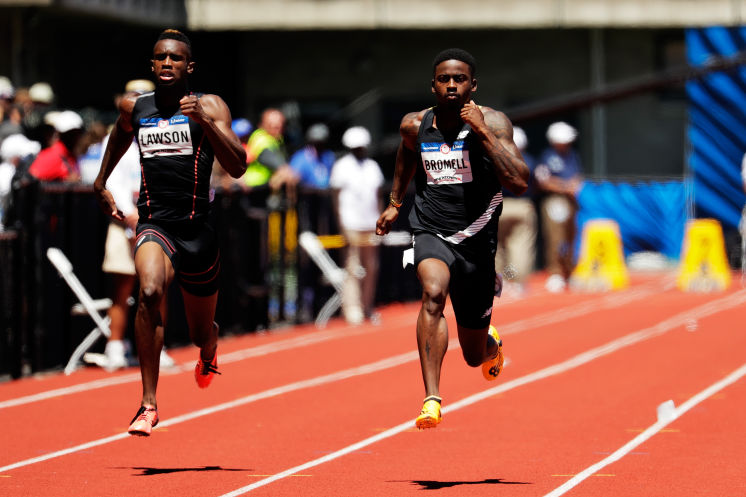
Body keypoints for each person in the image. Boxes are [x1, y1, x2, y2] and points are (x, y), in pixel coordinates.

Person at [93, 29, 247, 436]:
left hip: (197, 230)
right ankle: (148, 404)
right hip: (155, 222)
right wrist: (100, 180)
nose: (167, 64)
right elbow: (119, 136)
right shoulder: (136, 108)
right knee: (148, 292)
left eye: (175, 59)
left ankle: (210, 346)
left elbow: (238, 165)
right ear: (151, 64)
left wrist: (206, 124)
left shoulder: (210, 105)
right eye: (160, 57)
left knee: (199, 333)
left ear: (189, 67)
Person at [376, 48, 529, 429]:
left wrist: (480, 132)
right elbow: (406, 155)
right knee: (432, 292)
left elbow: (520, 181)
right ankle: (432, 398)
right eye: (444, 79)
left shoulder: (493, 123)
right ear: (433, 85)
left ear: (473, 85)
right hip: (431, 229)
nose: (451, 85)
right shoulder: (415, 125)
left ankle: (491, 342)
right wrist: (395, 202)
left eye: (459, 79)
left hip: (477, 241)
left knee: (474, 356)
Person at [330, 126, 384, 325]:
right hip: (351, 222)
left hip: (370, 222)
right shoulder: (342, 166)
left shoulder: (372, 166)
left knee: (371, 266)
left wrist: (380, 222)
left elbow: (378, 195)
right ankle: (352, 308)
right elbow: (336, 197)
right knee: (352, 266)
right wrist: (341, 225)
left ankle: (367, 305)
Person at [535, 121, 583, 293]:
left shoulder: (572, 155)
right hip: (556, 201)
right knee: (556, 237)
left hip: (571, 201)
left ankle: (569, 271)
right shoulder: (548, 156)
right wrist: (564, 186)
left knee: (570, 237)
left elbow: (577, 176)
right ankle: (555, 272)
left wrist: (575, 184)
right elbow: (543, 181)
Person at [495, 126, 537, 296]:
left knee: (496, 246)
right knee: (520, 246)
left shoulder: (495, 159)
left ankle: (500, 282)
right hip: (522, 206)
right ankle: (517, 282)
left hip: (498, 206)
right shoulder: (529, 161)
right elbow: (535, 183)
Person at [28, 110, 84, 182]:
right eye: (70, 133)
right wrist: (63, 181)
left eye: (77, 133)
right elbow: (32, 178)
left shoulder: (72, 154)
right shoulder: (54, 154)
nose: (74, 137)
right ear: (60, 134)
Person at [290, 123, 335, 189]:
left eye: (321, 144)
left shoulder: (328, 156)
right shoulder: (300, 158)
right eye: (315, 144)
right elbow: (293, 179)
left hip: (327, 194)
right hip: (308, 195)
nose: (318, 148)